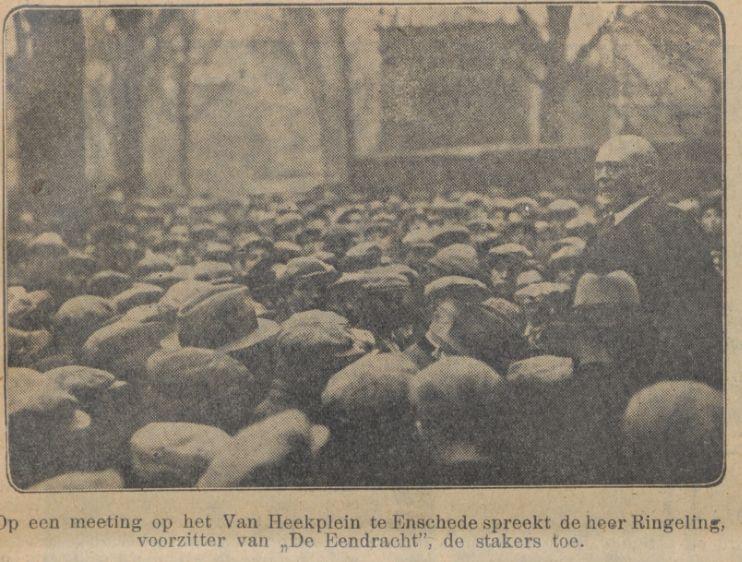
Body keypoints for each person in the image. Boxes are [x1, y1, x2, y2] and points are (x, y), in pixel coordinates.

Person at [582, 135, 722, 388]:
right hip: (607, 369)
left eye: (613, 167)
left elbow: (692, 310)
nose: (601, 176)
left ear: (646, 175)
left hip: (656, 372)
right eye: (598, 167)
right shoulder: (603, 228)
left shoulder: (673, 226)